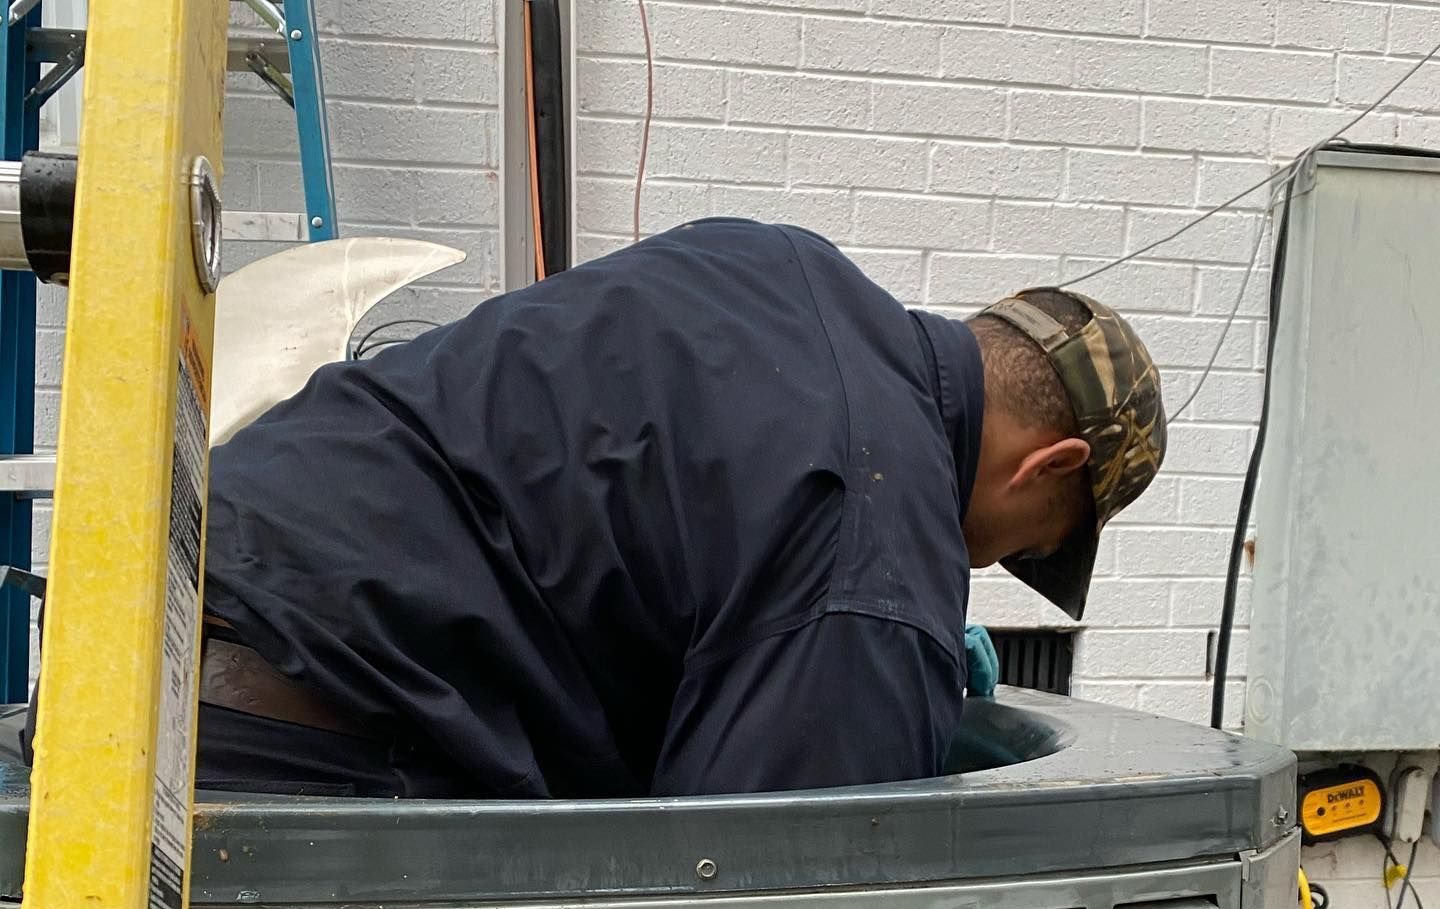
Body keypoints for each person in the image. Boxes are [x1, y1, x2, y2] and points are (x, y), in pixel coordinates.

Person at [193, 218, 1166, 800]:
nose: (986, 568)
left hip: (185, 594)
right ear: (1050, 464)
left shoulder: (774, 265)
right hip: (307, 744)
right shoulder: (875, 557)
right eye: (1024, 546)